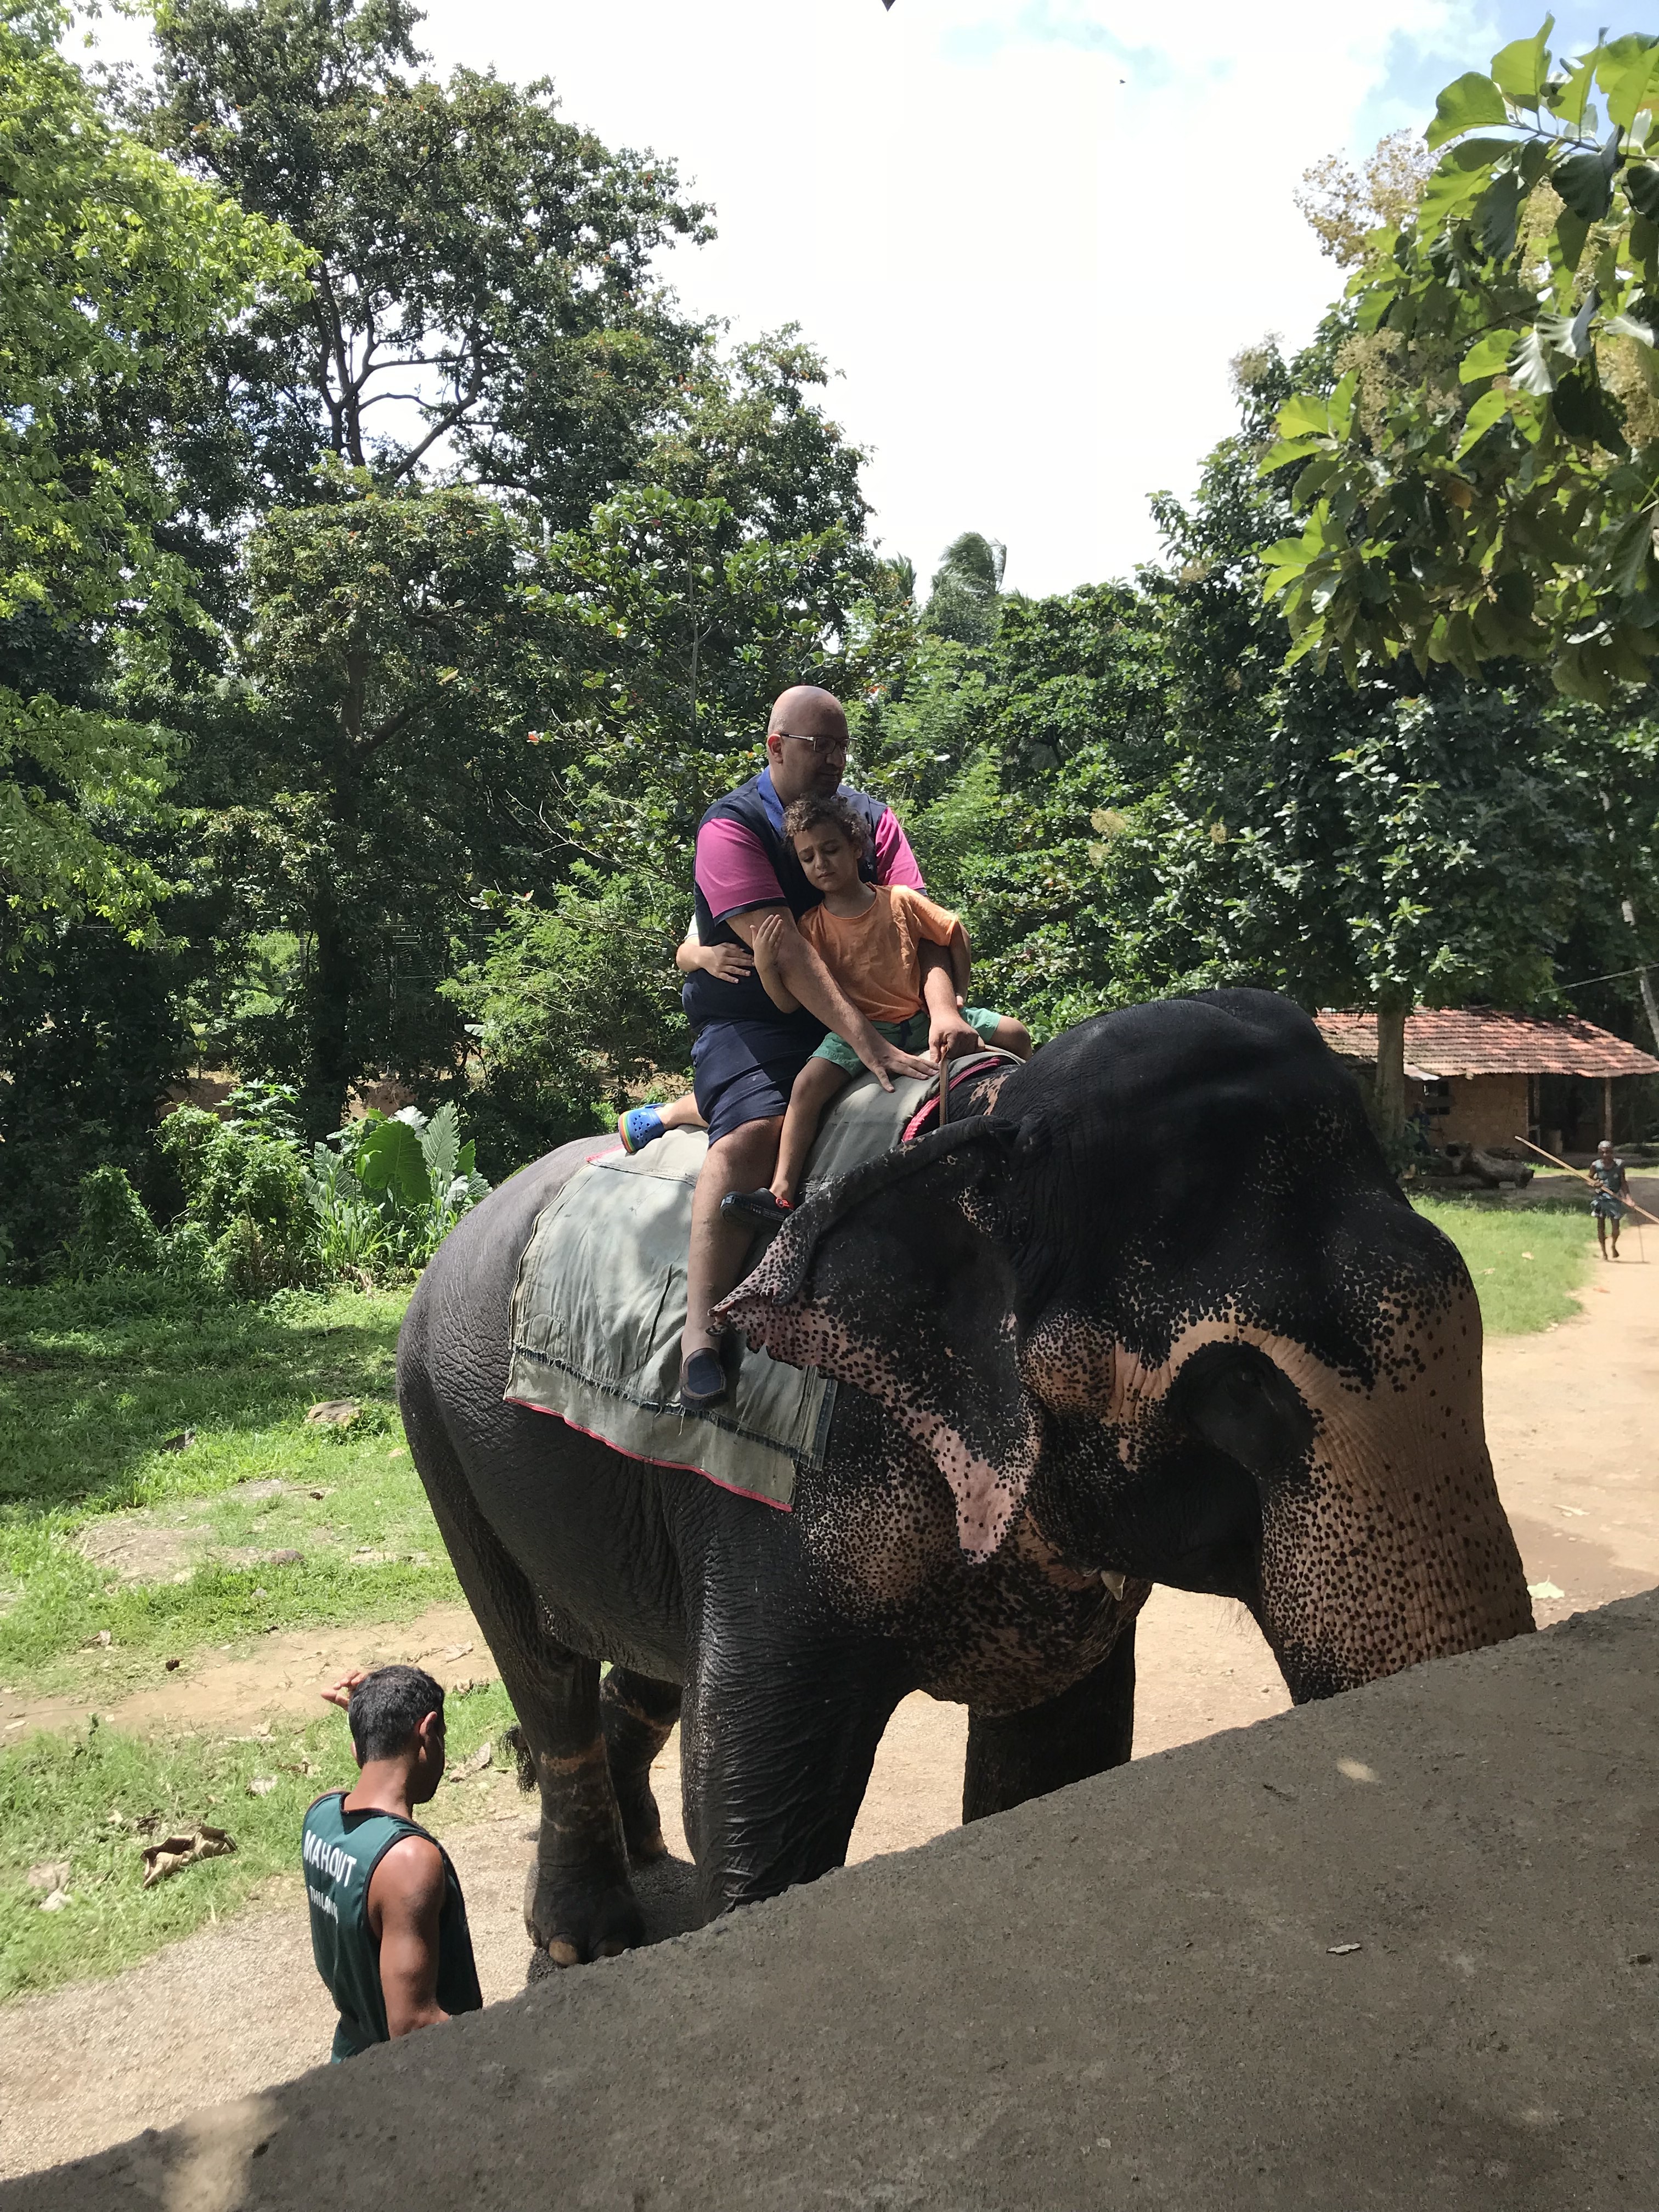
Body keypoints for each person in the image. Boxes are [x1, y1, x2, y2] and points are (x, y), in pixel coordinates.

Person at [672, 683, 976, 1407]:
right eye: (820, 746)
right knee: (755, 1132)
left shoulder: (873, 820)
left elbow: (923, 926)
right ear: (776, 747)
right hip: (758, 1020)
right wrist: (867, 1044)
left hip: (879, 1004)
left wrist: (941, 1011)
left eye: (843, 745)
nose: (836, 759)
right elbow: (788, 954)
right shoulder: (730, 828)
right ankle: (698, 1333)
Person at [721, 792, 1030, 1226]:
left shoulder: (900, 900)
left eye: (830, 850)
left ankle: (1034, 1117)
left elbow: (954, 933)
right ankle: (782, 1193)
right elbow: (788, 1003)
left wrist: (956, 1001)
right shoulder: (811, 926)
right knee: (806, 1089)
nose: (820, 864)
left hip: (921, 1017)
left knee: (1016, 1033)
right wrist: (767, 966)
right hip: (862, 1032)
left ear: (856, 848)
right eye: (808, 858)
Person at [302, 1664, 482, 2062]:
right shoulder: (408, 1861)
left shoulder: (321, 1815)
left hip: (350, 2054)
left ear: (358, 1748)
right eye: (442, 1738)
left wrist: (369, 1722)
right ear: (428, 1731)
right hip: (414, 2075)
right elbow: (414, 2025)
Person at [1589, 1138, 1630, 1259]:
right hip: (1601, 1198)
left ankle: (1613, 1245)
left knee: (1616, 1228)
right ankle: (1604, 1252)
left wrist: (1629, 1198)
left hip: (1615, 1198)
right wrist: (1594, 1184)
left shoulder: (1619, 1165)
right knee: (1601, 1226)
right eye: (1602, 1152)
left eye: (1608, 1152)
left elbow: (1623, 1183)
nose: (1605, 1155)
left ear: (1612, 1152)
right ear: (1599, 1153)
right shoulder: (1595, 1165)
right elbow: (1589, 1179)